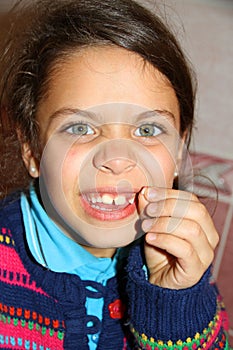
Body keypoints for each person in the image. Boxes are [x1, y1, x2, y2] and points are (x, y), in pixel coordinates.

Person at [0, 0, 229, 349]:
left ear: (179, 149)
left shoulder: (178, 252)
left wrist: (175, 300)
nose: (118, 160)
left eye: (148, 131)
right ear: (32, 149)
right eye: (80, 127)